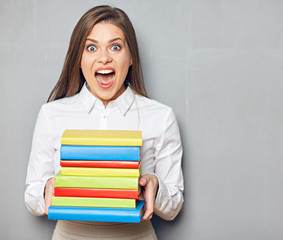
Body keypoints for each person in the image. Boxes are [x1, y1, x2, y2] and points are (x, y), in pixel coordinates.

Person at [24, 5, 184, 240]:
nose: (104, 57)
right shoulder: (51, 114)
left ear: (131, 57)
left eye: (115, 47)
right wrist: (47, 189)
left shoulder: (161, 117)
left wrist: (156, 185)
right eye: (91, 47)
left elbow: (174, 205)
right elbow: (31, 196)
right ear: (79, 59)